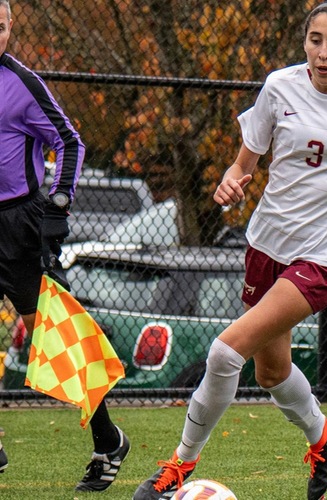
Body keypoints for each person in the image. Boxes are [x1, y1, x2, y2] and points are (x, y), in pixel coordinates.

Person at [132, 2, 327, 499]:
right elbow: (241, 165)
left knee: (224, 351)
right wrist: (232, 182)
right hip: (266, 245)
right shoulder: (279, 87)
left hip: (320, 260)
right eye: (315, 40)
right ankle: (323, 435)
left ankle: (177, 467)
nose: (323, 52)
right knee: (270, 371)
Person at [0, 0, 130, 491]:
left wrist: (58, 205)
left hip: (20, 226)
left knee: (53, 338)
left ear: (11, 28)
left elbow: (69, 142)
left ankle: (108, 440)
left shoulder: (23, 85)